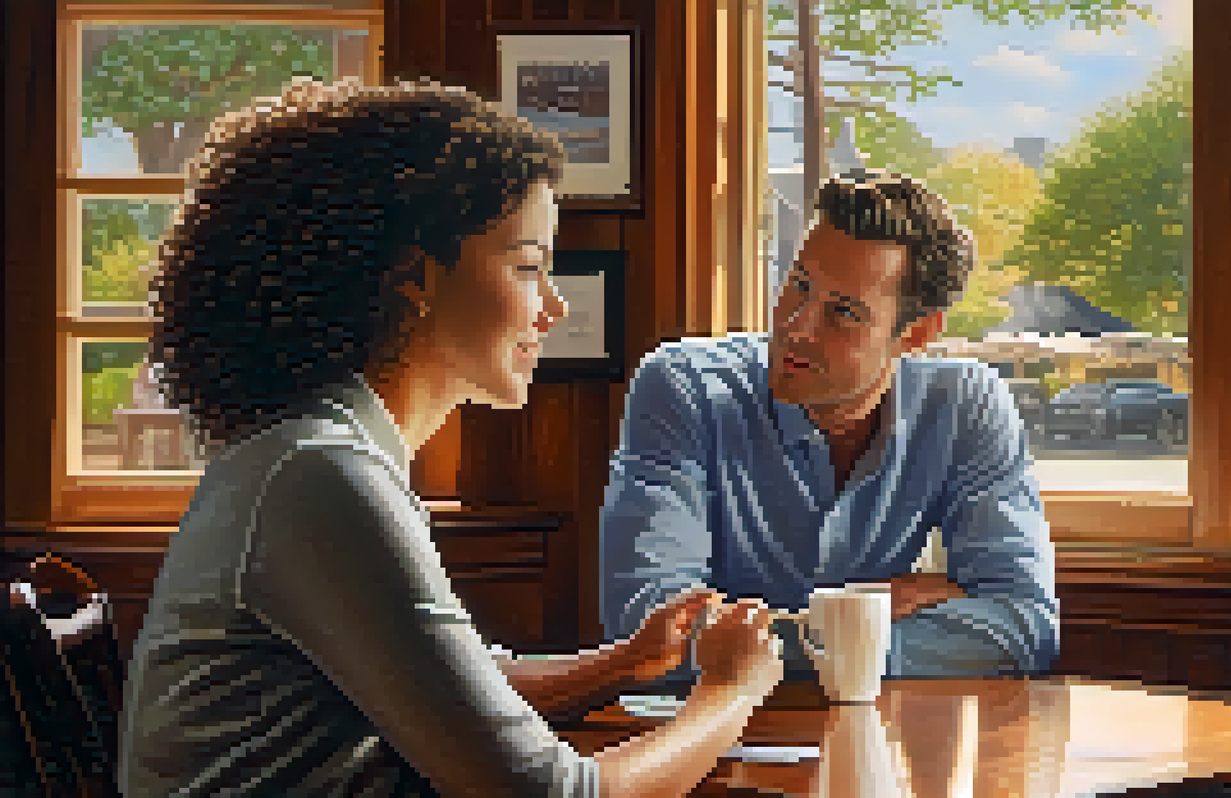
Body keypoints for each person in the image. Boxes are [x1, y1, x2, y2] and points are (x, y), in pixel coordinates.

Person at [119, 76, 783, 798]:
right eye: (528, 266)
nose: (553, 307)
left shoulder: (317, 455)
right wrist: (731, 692)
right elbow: (552, 795)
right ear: (416, 276)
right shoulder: (319, 476)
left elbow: (454, 689)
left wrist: (623, 664)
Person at [599, 169, 1058, 681]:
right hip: (709, 742)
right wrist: (861, 620)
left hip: (877, 739)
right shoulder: (685, 388)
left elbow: (1025, 627)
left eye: (842, 312)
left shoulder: (965, 405)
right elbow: (645, 632)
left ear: (917, 333)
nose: (796, 326)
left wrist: (759, 647)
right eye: (799, 286)